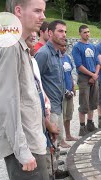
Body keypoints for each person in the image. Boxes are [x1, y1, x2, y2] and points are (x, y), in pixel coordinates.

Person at [0, 0, 49, 179]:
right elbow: (7, 103)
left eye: (43, 11)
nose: (43, 16)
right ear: (18, 11)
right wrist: (22, 152)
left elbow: (25, 98)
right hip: (26, 147)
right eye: (37, 11)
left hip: (32, 139)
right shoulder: (10, 46)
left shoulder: (19, 45)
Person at [35, 20, 69, 149]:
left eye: (65, 31)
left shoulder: (58, 53)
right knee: (50, 141)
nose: (64, 34)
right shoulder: (43, 54)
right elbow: (35, 83)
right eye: (60, 31)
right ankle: (51, 169)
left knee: (56, 141)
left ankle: (55, 166)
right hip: (49, 108)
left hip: (58, 104)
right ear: (50, 33)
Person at [72, 25, 100, 136]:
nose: (87, 34)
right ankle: (82, 127)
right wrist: (91, 75)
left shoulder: (93, 47)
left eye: (88, 32)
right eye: (84, 32)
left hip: (94, 76)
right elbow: (79, 65)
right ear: (80, 33)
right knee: (84, 103)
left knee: (93, 102)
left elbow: (98, 62)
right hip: (84, 78)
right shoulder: (77, 47)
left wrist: (95, 75)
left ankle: (90, 123)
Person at [60, 44, 79, 145]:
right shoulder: (57, 59)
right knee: (61, 116)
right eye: (62, 46)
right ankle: (61, 139)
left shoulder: (67, 57)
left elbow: (70, 73)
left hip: (69, 90)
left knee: (68, 114)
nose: (64, 47)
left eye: (65, 46)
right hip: (61, 92)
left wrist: (72, 86)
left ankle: (68, 135)